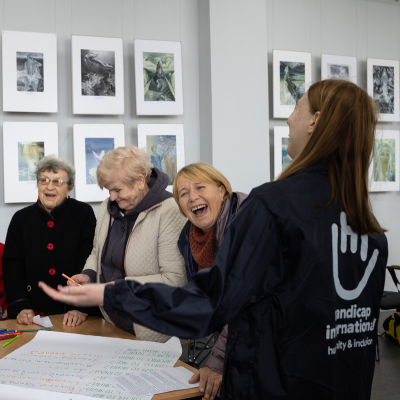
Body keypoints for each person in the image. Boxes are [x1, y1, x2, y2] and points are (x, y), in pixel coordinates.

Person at [40, 80, 388, 400]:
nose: (288, 119)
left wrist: (111, 291)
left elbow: (211, 302)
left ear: (315, 122)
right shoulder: (366, 221)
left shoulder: (273, 206)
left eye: (296, 107)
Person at [67, 145, 188, 342]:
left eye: (117, 189)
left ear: (140, 181)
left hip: (152, 329)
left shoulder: (170, 211)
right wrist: (88, 275)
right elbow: (97, 252)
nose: (112, 197)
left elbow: (175, 280)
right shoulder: (107, 208)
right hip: (113, 324)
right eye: (109, 190)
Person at [174, 163, 247, 398]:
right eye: (183, 193)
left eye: (200, 187)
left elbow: (241, 303)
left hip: (267, 341)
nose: (193, 197)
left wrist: (218, 361)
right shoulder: (188, 237)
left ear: (222, 190)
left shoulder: (245, 225)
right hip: (233, 342)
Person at [3, 155, 97, 326]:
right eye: (44, 180)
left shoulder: (84, 214)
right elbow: (12, 267)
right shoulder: (21, 219)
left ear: (70, 188)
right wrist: (22, 306)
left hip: (74, 315)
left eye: (58, 181)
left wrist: (80, 308)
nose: (49, 186)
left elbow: (89, 262)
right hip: (34, 314)